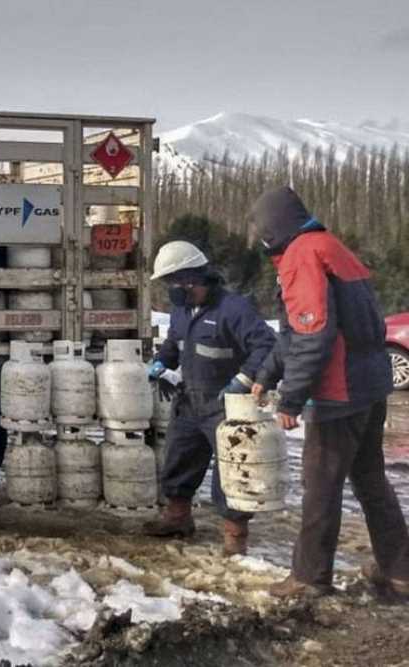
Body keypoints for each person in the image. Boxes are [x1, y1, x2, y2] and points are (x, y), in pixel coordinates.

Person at [250, 186, 409, 599]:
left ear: (272, 228)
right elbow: (296, 332)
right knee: (371, 479)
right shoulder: (331, 246)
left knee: (320, 487)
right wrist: (267, 374)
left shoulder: (302, 255)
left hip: (339, 391)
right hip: (372, 386)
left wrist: (291, 398)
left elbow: (313, 334)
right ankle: (400, 570)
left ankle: (309, 578)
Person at [144, 240, 278, 555]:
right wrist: (162, 361)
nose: (170, 289)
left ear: (193, 277)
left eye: (173, 282)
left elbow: (266, 345)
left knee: (231, 471)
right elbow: (175, 342)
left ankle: (234, 538)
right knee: (180, 458)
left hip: (227, 404)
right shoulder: (181, 310)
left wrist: (243, 380)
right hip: (190, 400)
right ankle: (178, 518)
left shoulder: (233, 309)